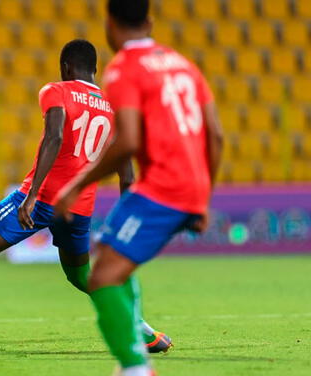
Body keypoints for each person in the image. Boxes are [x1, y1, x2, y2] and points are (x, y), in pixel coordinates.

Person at [0, 39, 172, 360]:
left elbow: (55, 136)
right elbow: (128, 177)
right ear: (95, 70)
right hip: (79, 208)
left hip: (42, 197)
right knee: (81, 275)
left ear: (65, 68)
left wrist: (33, 194)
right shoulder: (114, 108)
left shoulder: (57, 91)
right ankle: (146, 332)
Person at [54, 1, 224, 375]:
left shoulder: (124, 71)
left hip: (164, 186)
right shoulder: (184, 65)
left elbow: (127, 141)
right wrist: (204, 197)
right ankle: (136, 354)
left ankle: (135, 367)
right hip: (187, 185)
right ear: (149, 21)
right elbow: (216, 134)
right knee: (111, 253)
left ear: (110, 26)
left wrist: (75, 185)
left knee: (101, 277)